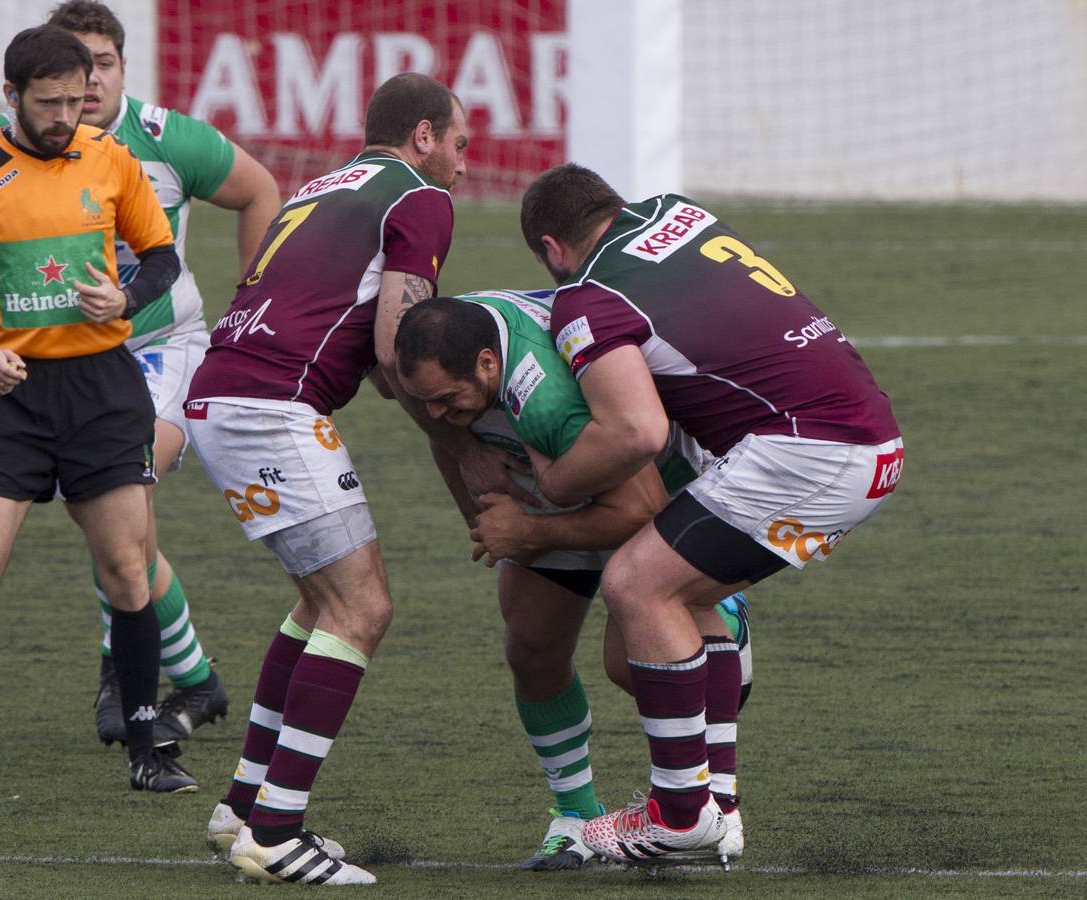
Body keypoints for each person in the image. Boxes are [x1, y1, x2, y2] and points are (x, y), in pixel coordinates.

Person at [0, 0, 283, 751]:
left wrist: (251, 306)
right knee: (111, 538)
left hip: (161, 347)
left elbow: (258, 193)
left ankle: (127, 666)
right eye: (60, 84)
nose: (81, 95)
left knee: (122, 525)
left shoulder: (162, 138)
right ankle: (188, 676)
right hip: (46, 367)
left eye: (99, 70)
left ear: (114, 68)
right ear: (23, 91)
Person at [518, 164, 904, 866]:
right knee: (687, 594)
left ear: (551, 248)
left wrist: (551, 481)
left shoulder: (584, 294)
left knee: (637, 583)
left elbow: (635, 433)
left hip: (809, 448)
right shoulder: (678, 211)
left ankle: (677, 816)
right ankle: (716, 807)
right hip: (868, 438)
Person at [184, 73, 474, 886]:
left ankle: (243, 807)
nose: (462, 159)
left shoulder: (322, 186)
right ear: (421, 136)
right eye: (456, 140)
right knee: (363, 607)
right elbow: (399, 345)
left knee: (320, 604)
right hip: (270, 406)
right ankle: (276, 833)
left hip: (219, 397)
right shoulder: (418, 196)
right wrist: (457, 441)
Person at [0, 25, 193, 794]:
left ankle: (145, 746)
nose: (68, 114)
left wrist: (126, 294)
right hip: (9, 394)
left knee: (129, 571)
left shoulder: (111, 159)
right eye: (50, 102)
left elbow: (162, 255)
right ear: (12, 98)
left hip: (102, 389)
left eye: (76, 99)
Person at [394, 290, 753, 871]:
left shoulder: (548, 401)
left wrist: (529, 534)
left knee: (630, 663)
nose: (434, 414)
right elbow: (410, 391)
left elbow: (638, 509)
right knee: (531, 646)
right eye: (423, 400)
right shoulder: (432, 353)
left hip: (657, 497)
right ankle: (577, 815)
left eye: (445, 399)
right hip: (555, 489)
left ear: (488, 363)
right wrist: (468, 464)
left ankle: (712, 800)